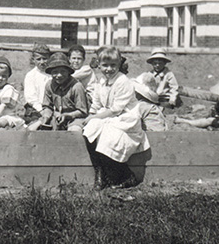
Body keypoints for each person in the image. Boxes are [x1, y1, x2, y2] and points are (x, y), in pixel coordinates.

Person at [82, 46, 150, 190]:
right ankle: (100, 175)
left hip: (125, 119)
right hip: (108, 116)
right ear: (99, 65)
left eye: (113, 65)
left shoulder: (123, 81)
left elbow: (116, 109)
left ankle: (128, 176)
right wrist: (90, 116)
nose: (109, 69)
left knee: (109, 136)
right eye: (105, 65)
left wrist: (96, 116)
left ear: (119, 65)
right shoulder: (100, 82)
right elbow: (96, 103)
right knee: (90, 130)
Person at [39, 52, 89, 131]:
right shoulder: (49, 85)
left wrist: (67, 115)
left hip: (75, 118)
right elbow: (47, 106)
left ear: (68, 72)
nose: (59, 75)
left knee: (74, 131)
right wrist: (46, 116)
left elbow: (82, 111)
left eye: (63, 71)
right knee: (35, 128)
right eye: (55, 72)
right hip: (57, 117)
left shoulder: (76, 86)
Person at [22, 42, 51, 123]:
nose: (42, 62)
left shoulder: (52, 74)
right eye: (38, 59)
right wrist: (41, 110)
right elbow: (31, 98)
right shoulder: (31, 75)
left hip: (50, 109)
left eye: (45, 58)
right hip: (35, 109)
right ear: (33, 60)